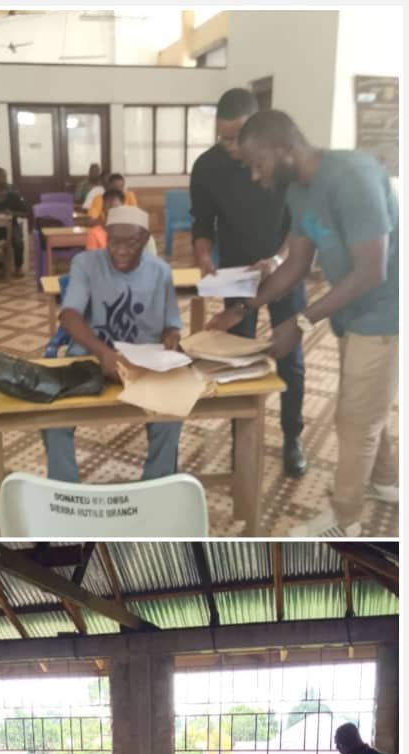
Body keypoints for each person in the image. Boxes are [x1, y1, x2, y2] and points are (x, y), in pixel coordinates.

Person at [213, 109, 399, 537]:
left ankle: (346, 519)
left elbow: (372, 270)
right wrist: (245, 308)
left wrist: (301, 321)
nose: (258, 177)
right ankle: (387, 483)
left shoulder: (353, 176)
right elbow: (296, 263)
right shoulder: (300, 191)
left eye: (257, 165)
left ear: (282, 149)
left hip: (385, 313)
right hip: (353, 314)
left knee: (354, 422)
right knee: (368, 405)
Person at [191, 89, 307, 477]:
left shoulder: (284, 165)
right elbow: (202, 224)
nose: (230, 146)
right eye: (222, 137)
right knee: (236, 358)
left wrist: (275, 260)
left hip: (286, 270)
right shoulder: (207, 167)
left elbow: (300, 227)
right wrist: (205, 255)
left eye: (236, 137)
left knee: (289, 358)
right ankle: (242, 431)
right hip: (238, 276)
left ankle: (292, 437)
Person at [41, 205, 182, 484]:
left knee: (170, 414)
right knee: (53, 419)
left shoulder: (161, 271)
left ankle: (155, 488)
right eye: (113, 241)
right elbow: (69, 317)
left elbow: (171, 323)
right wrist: (104, 353)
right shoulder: (86, 264)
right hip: (91, 361)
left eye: (130, 243)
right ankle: (67, 493)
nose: (119, 250)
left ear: (144, 240)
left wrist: (171, 335)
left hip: (143, 366)